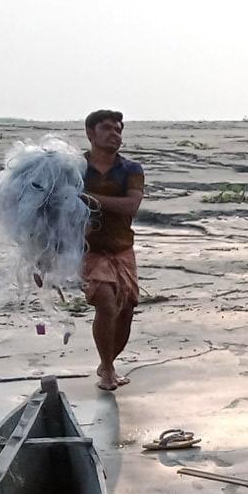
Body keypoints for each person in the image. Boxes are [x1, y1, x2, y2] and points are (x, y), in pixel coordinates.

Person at [80, 109, 144, 391]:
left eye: (118, 129)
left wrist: (88, 198)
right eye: (107, 128)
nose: (114, 134)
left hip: (121, 247)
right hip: (87, 248)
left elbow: (131, 206)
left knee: (126, 309)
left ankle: (108, 359)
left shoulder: (131, 170)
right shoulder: (76, 168)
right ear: (90, 133)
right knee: (105, 301)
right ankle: (107, 368)